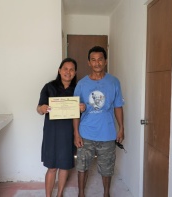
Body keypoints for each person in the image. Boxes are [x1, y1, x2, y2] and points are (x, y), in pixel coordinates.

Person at [73, 46, 125, 197]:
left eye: (100, 59)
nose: (97, 63)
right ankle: (81, 194)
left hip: (107, 133)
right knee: (82, 166)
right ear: (89, 62)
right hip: (85, 133)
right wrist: (76, 133)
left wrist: (121, 128)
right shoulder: (81, 84)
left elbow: (118, 106)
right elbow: (74, 111)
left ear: (105, 61)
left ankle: (106, 194)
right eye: (93, 60)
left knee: (107, 168)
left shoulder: (114, 82)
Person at [37, 58, 85, 197]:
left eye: (71, 69)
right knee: (51, 167)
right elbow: (38, 108)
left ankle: (60, 194)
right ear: (59, 70)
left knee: (64, 165)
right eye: (65, 68)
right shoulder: (49, 87)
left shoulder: (78, 89)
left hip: (68, 133)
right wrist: (42, 108)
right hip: (51, 133)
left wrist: (83, 107)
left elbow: (83, 109)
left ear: (75, 72)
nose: (68, 72)